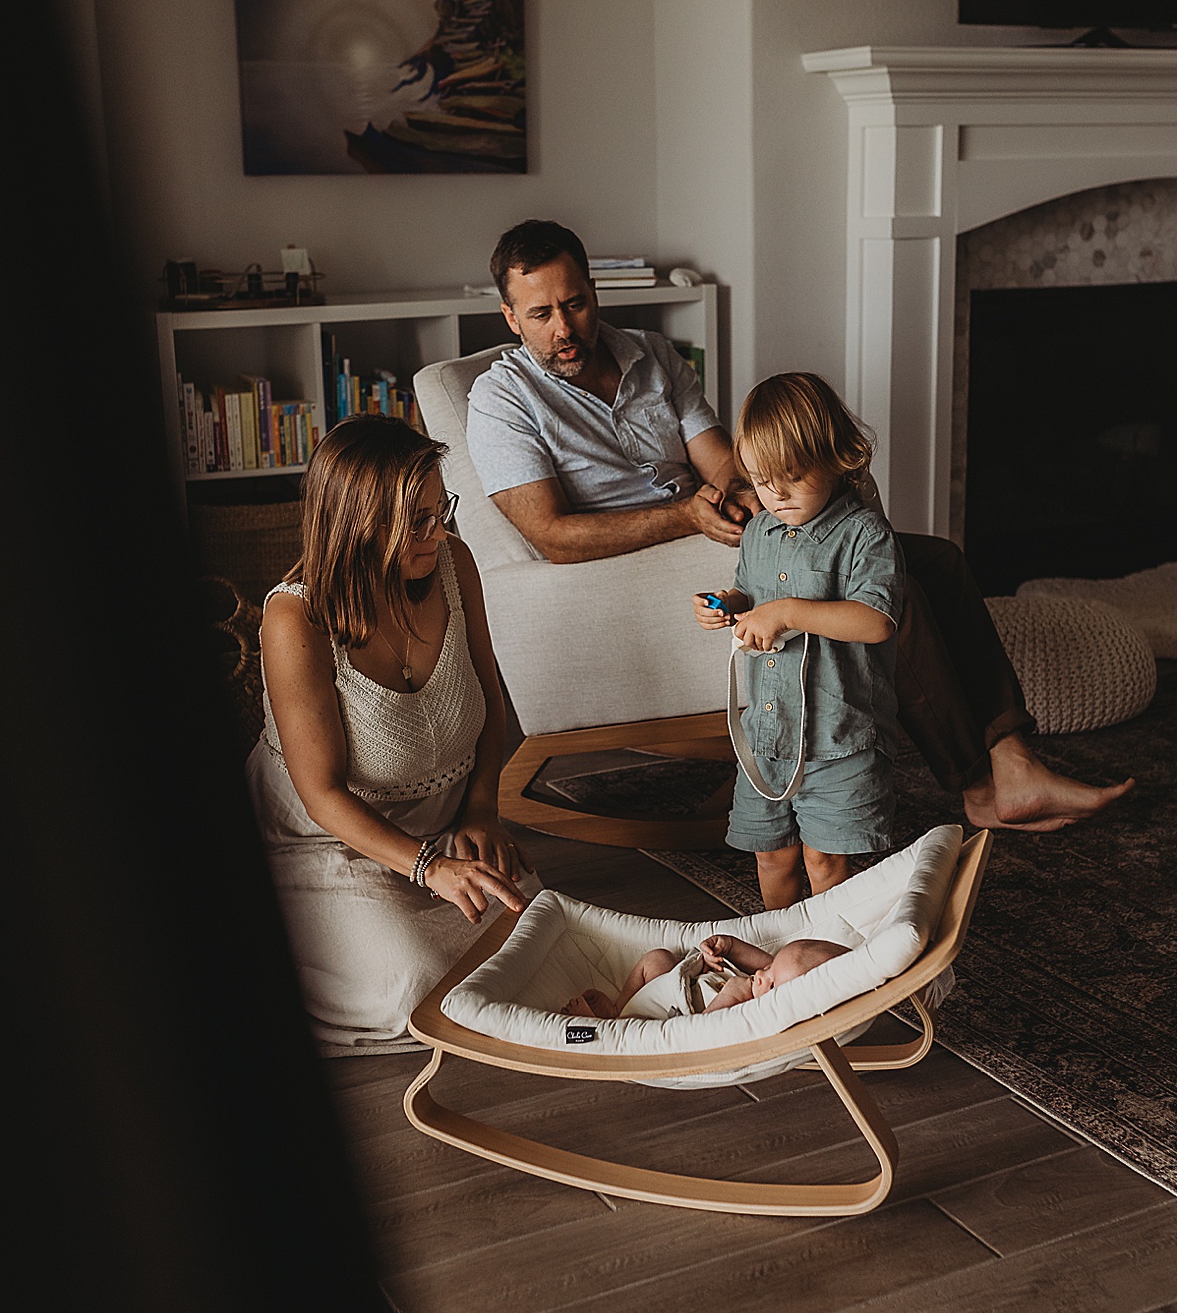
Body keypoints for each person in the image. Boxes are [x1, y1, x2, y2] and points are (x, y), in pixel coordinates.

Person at [466, 218, 1134, 833]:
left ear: (594, 292)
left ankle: (1013, 760)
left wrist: (736, 493)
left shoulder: (650, 354)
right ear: (509, 317)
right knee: (890, 586)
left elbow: (721, 459)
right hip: (644, 565)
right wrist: (684, 516)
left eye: (575, 304)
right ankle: (977, 786)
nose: (564, 329)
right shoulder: (502, 399)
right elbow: (551, 533)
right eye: (541, 313)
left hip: (721, 531)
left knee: (939, 560)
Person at [245, 414, 536, 1055]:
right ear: (355, 524)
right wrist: (427, 867)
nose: (438, 532)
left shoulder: (454, 564)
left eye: (441, 509)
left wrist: (483, 810)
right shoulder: (295, 619)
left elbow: (492, 701)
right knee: (418, 988)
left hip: (448, 821)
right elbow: (321, 794)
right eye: (417, 520)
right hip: (330, 843)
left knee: (536, 932)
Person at [693, 372, 903, 907]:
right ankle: (783, 954)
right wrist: (729, 605)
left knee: (824, 859)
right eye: (762, 480)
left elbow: (876, 621)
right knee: (773, 854)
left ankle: (829, 956)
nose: (776, 494)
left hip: (836, 738)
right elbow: (749, 590)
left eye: (791, 475)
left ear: (836, 456)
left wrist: (788, 612)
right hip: (767, 735)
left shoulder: (865, 534)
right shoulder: (760, 531)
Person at [564, 933, 852, 1020]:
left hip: (664, 1014)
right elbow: (762, 964)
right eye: (770, 967)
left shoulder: (750, 1010)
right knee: (657, 958)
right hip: (674, 982)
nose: (762, 974)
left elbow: (708, 1028)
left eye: (772, 982)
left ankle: (608, 1024)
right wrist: (728, 946)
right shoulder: (766, 978)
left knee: (639, 1032)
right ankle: (619, 1005)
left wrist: (732, 995)